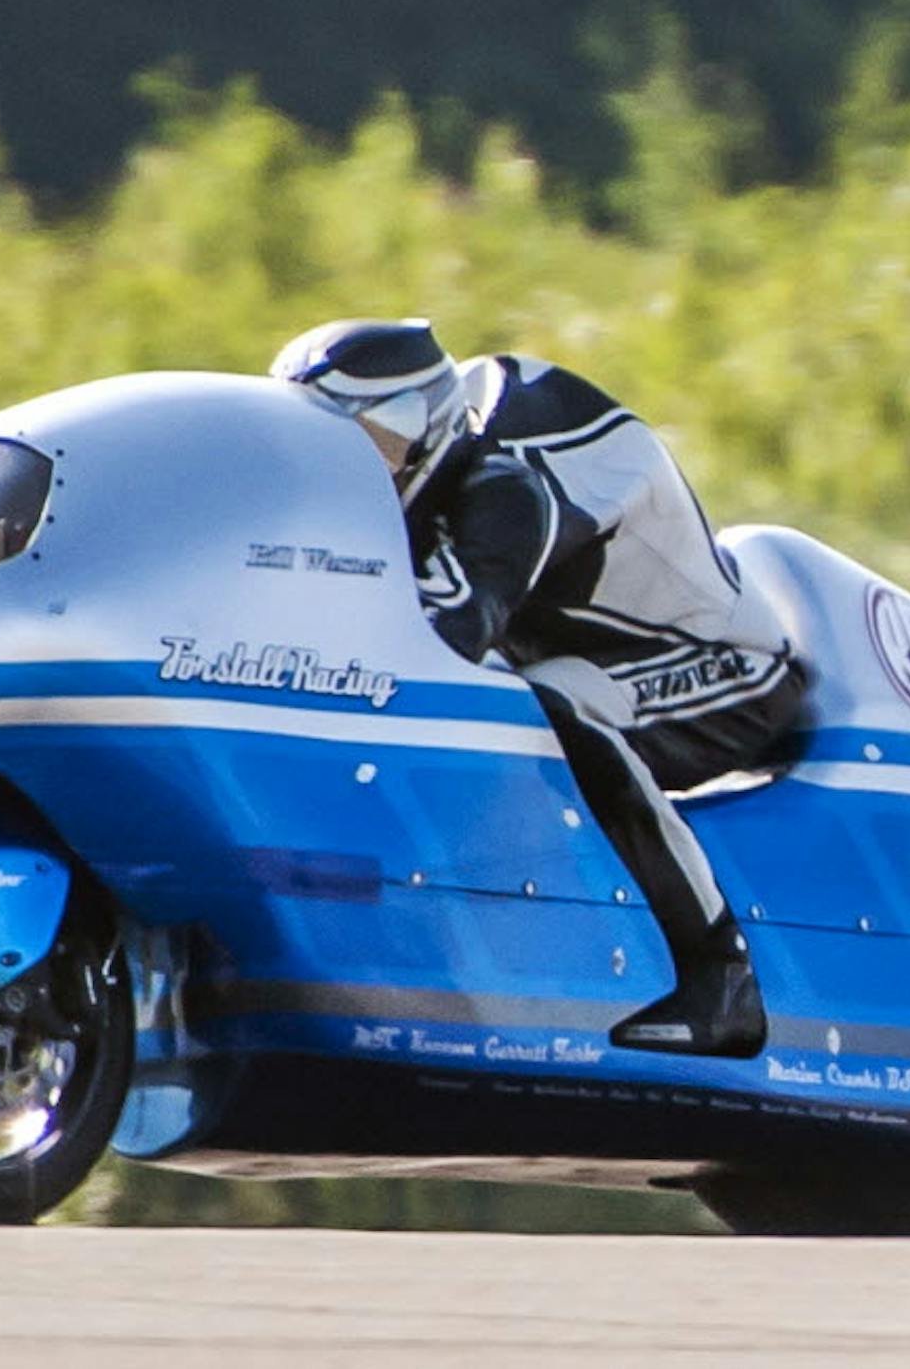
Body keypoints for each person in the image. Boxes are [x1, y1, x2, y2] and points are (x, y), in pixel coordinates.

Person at [269, 318, 805, 1057]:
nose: (356, 472)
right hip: (596, 657)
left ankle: (721, 978)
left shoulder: (502, 492)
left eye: (374, 446)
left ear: (425, 424)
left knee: (555, 705)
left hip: (728, 667)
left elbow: (442, 642)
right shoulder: (431, 466)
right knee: (521, 699)